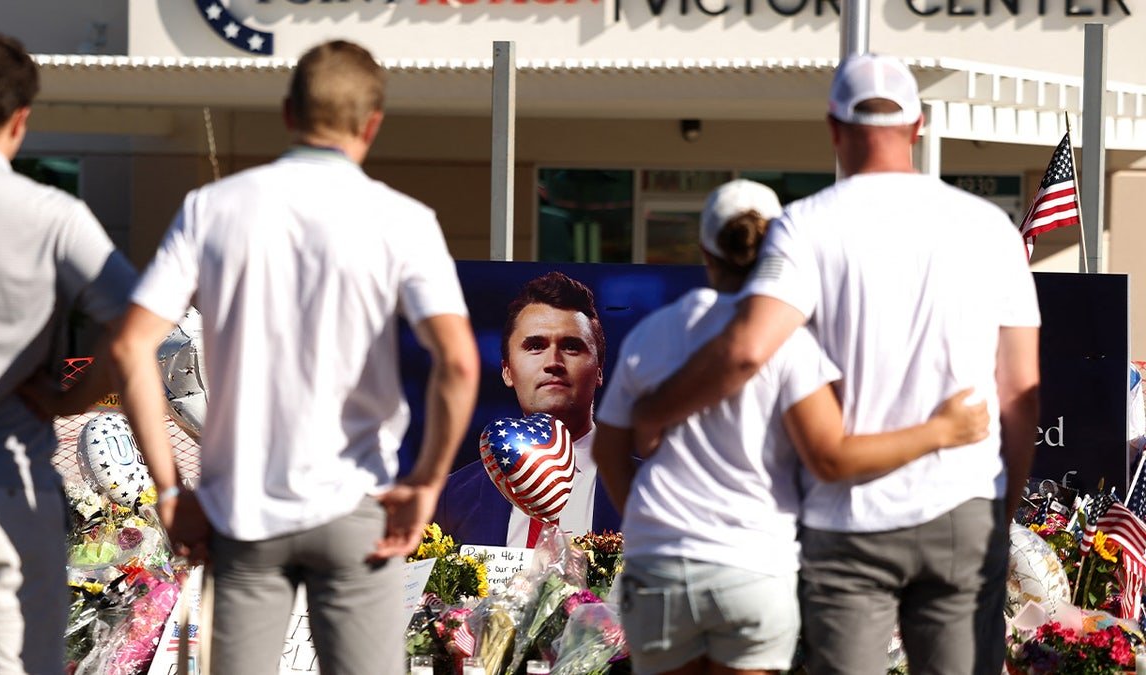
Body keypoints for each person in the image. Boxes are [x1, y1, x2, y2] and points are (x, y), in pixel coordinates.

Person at [631, 55, 1041, 675]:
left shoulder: (806, 226)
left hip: (847, 518)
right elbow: (1019, 392)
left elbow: (745, 349)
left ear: (832, 128)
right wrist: (997, 510)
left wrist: (656, 408)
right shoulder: (990, 229)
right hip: (961, 504)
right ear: (919, 127)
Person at [110, 40, 480, 675]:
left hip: (244, 514)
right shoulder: (403, 220)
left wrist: (170, 490)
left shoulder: (213, 208)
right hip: (354, 507)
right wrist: (424, 481)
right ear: (373, 123)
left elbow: (129, 344)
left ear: (288, 113)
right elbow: (460, 363)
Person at [593, 179, 990, 675]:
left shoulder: (651, 333)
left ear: (705, 252)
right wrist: (943, 431)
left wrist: (650, 527)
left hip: (659, 563)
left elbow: (608, 452)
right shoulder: (792, 345)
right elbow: (831, 458)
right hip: (753, 565)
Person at [0, 27, 137, 675]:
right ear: (20, 119)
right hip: (3, 488)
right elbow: (138, 324)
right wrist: (73, 396)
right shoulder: (53, 215)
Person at [434, 271, 623, 547]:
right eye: (535, 346)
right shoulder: (454, 496)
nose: (553, 362)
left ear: (599, 370)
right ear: (507, 371)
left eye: (571, 347)